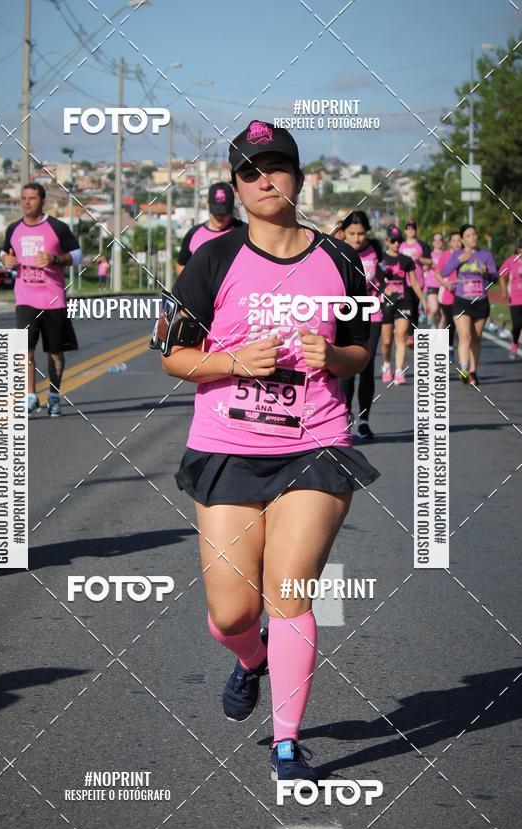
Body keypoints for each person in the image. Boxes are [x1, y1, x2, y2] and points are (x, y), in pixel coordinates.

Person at [154, 120, 379, 781]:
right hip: (227, 447)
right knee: (233, 613)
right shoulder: (212, 260)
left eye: (276, 166)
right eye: (250, 172)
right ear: (235, 187)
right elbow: (171, 355)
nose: (265, 179)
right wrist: (229, 361)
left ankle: (287, 745)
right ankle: (250, 659)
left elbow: (362, 345)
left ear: (299, 177)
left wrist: (335, 355)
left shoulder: (341, 260)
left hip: (316, 443)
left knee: (289, 593)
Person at [1, 182, 82, 416]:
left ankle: (54, 395)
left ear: (42, 201)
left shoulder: (57, 227)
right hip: (25, 297)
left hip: (52, 299)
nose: (27, 202)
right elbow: (4, 252)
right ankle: (30, 396)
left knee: (54, 352)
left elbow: (78, 255)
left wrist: (55, 259)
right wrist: (5, 260)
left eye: (32, 198)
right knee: (25, 350)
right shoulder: (13, 228)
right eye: (23, 198)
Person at [339, 211, 384, 440]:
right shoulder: (338, 251)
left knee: (366, 366)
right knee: (346, 368)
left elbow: (381, 276)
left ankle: (364, 421)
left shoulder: (374, 249)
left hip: (372, 312)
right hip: (346, 313)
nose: (357, 239)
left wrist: (386, 292)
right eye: (352, 234)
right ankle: (345, 416)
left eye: (361, 234)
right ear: (344, 233)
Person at [441, 224, 497, 385]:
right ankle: (464, 369)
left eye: (474, 234)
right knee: (465, 335)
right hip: (461, 301)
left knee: (476, 339)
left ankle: (473, 372)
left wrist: (486, 272)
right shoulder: (458, 255)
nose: (472, 237)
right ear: (463, 240)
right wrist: (459, 259)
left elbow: (494, 277)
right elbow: (444, 272)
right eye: (468, 235)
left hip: (480, 301)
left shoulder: (486, 255)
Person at [380, 225, 425, 384]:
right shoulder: (381, 260)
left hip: (404, 300)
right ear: (387, 241)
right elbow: (374, 280)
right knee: (386, 341)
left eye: (399, 240)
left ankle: (399, 371)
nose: (396, 244)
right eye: (393, 241)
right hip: (385, 302)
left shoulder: (406, 260)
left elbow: (414, 282)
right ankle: (386, 366)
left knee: (401, 336)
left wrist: (424, 301)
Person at [176, 182, 244, 275]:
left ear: (232, 207)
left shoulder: (244, 231)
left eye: (224, 213)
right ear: (208, 206)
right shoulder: (193, 234)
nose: (220, 217)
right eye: (216, 213)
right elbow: (181, 265)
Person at [399, 221, 431, 343]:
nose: (410, 230)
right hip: (402, 281)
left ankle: (412, 332)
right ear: (405, 231)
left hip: (417, 280)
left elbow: (430, 261)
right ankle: (403, 329)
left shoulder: (422, 245)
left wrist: (420, 259)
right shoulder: (400, 245)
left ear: (416, 230)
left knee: (415, 307)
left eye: (413, 228)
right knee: (406, 306)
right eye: (408, 228)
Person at [435, 231, 462, 363]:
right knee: (450, 322)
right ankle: (449, 348)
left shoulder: (466, 255)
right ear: (450, 243)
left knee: (460, 324)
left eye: (459, 240)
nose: (457, 243)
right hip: (447, 295)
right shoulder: (445, 255)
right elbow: (437, 274)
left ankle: (462, 351)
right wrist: (446, 284)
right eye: (454, 240)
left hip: (463, 296)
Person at [423, 232, 444, 329]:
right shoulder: (429, 255)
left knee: (442, 312)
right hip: (432, 285)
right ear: (433, 242)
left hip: (444, 286)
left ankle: (440, 330)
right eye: (436, 240)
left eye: (440, 240)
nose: (438, 242)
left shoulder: (446, 255)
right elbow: (422, 267)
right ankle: (433, 326)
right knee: (434, 309)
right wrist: (426, 266)